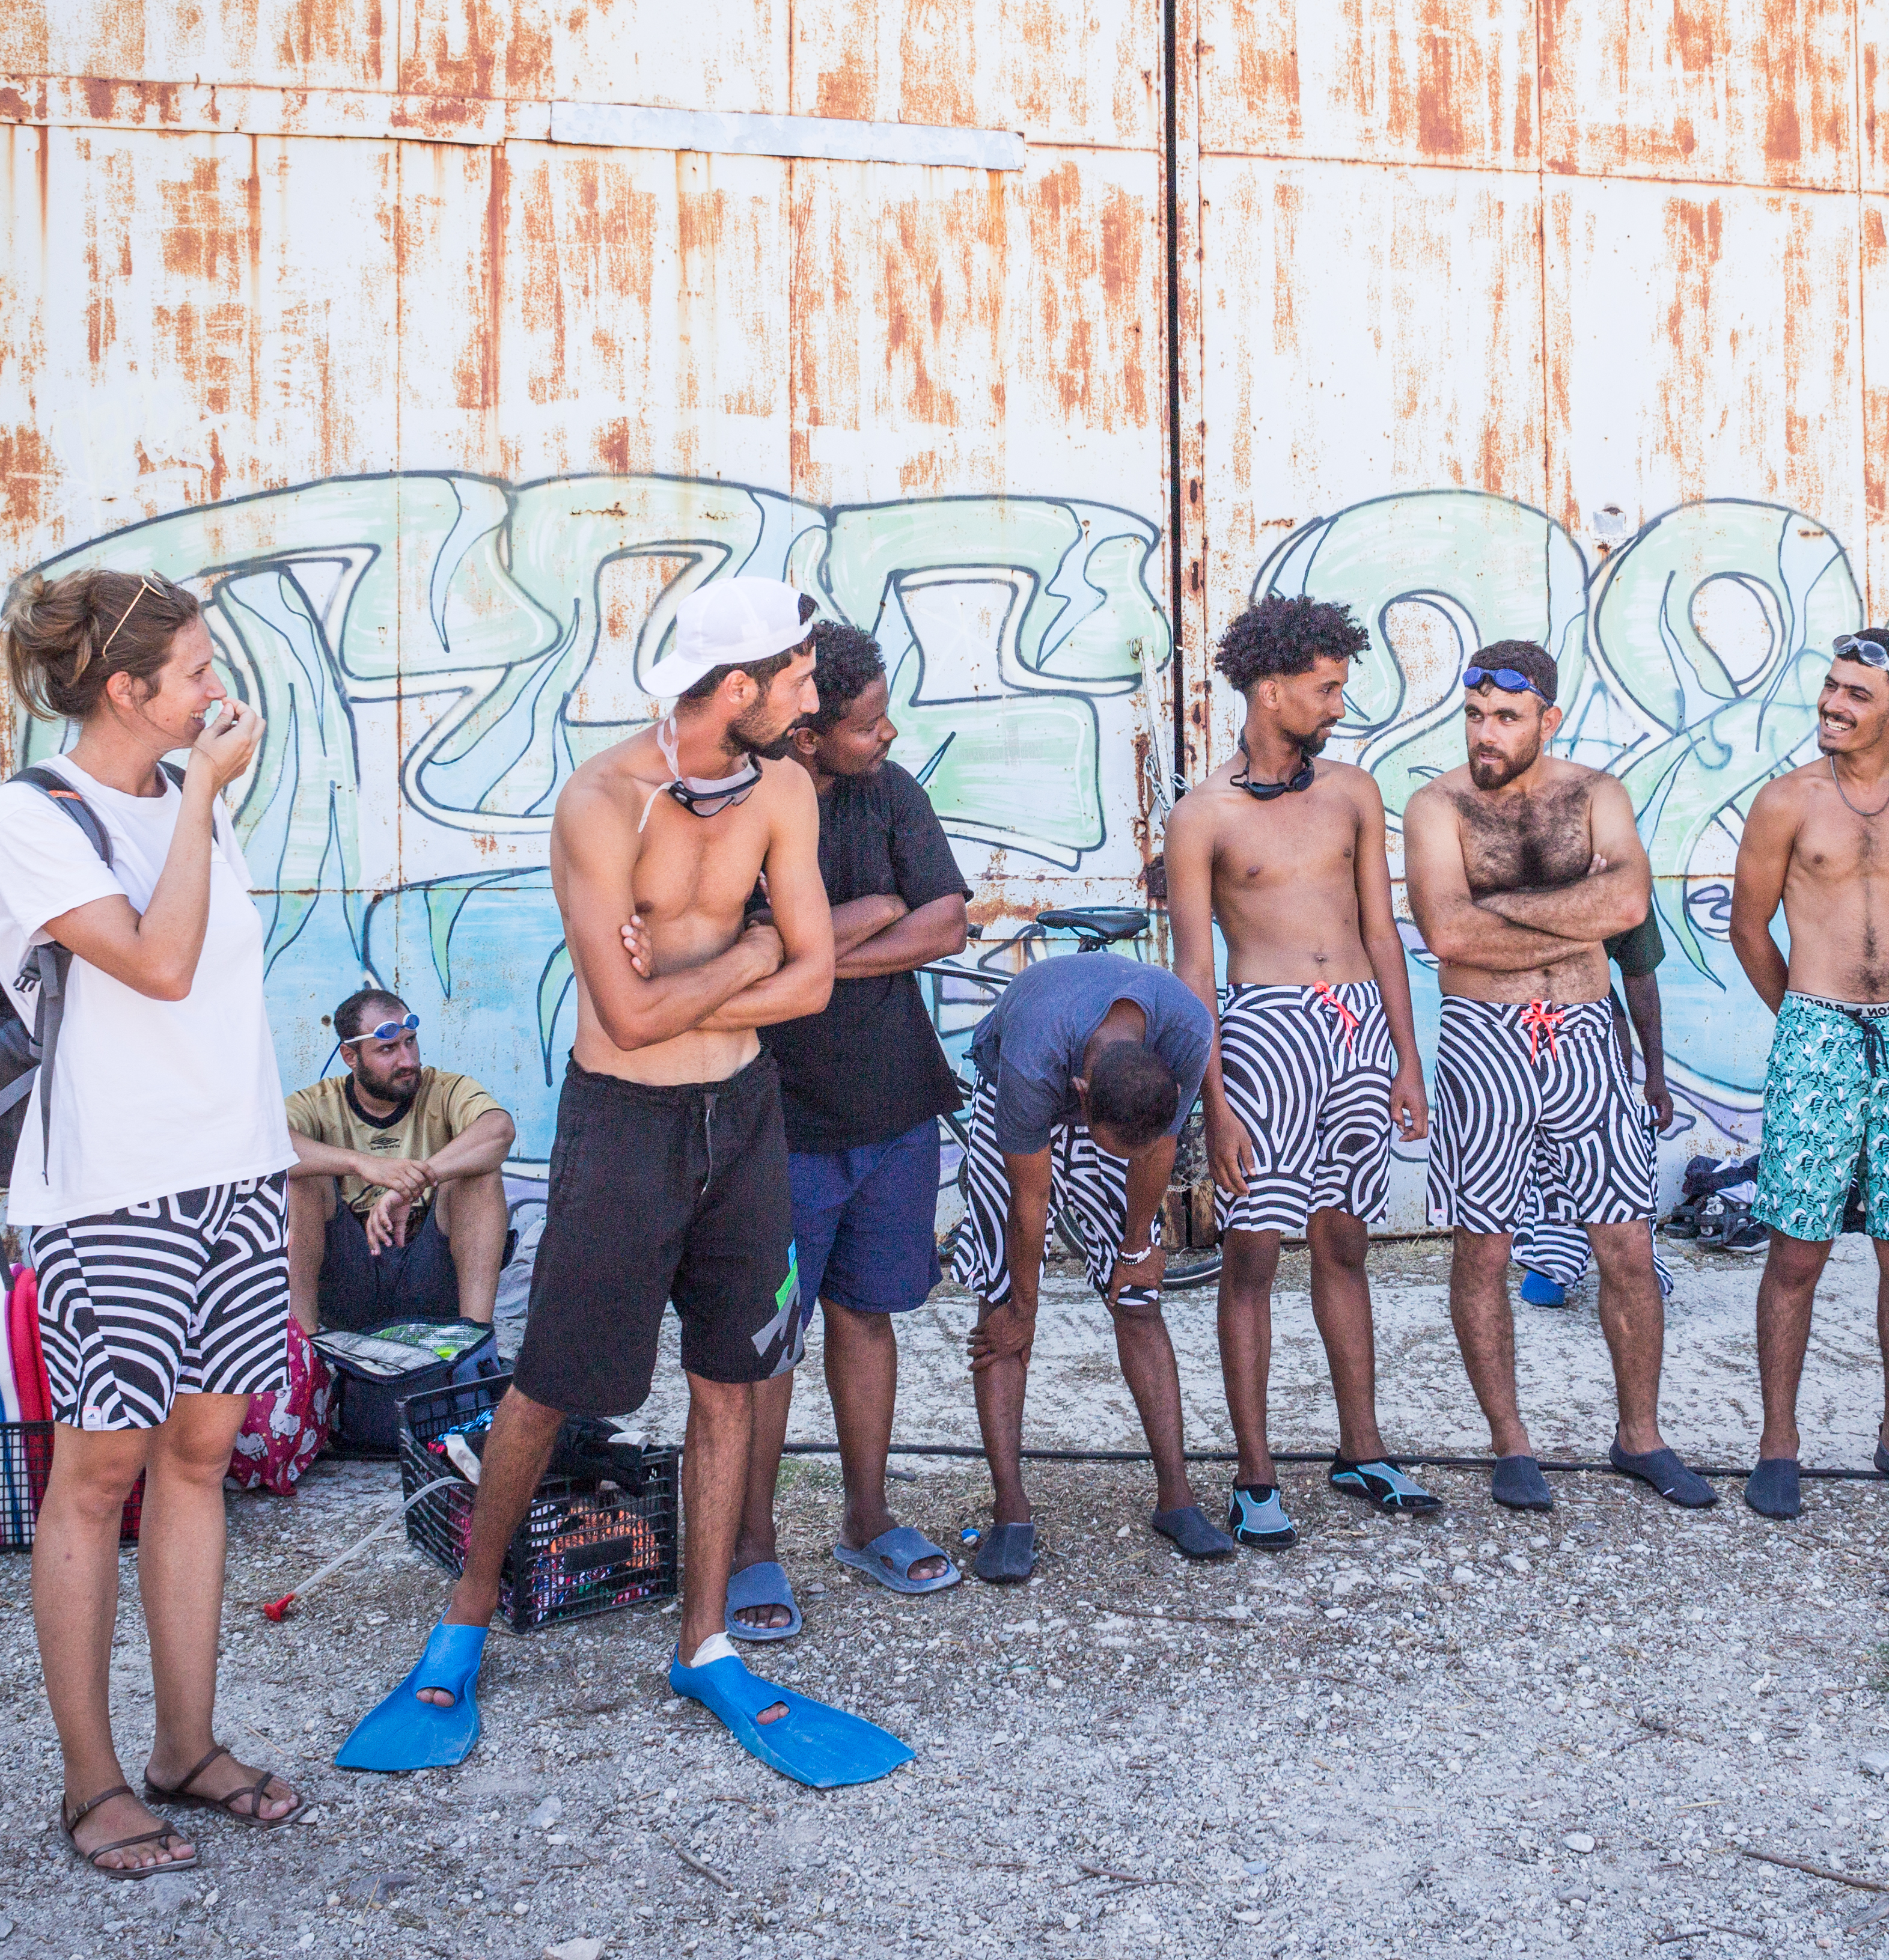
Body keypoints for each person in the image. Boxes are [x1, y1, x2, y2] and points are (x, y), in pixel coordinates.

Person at [341, 576, 904, 1794]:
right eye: (799, 678)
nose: (813, 697)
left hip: (745, 1114)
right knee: (549, 1388)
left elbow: (808, 982)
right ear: (738, 688)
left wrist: (737, 958)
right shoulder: (603, 804)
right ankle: (464, 1621)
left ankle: (701, 1643)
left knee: (735, 1380)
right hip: (624, 1126)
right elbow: (633, 1018)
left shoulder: (788, 789)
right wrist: (753, 948)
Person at [0, 568, 296, 1879]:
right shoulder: (30, 818)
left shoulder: (180, 803)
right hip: (114, 1190)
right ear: (128, 688)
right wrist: (209, 799)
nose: (218, 689)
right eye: (199, 667)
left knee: (203, 1457)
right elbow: (156, 967)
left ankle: (185, 1746)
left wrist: (199, 801)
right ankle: (92, 1782)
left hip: (237, 1169)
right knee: (98, 1470)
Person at [1403, 640, 1706, 1513]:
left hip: (1585, 1038)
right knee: (1485, 1248)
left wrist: (1495, 907)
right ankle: (1511, 1445)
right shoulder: (1438, 808)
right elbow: (1449, 938)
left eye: (1505, 717)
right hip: (1484, 1040)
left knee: (1626, 1247)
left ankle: (1640, 1437)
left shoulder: (1595, 795)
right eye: (1474, 716)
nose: (1485, 734)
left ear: (1548, 719)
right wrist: (1572, 922)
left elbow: (1627, 908)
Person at [1165, 594, 1435, 1549]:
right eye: (1324, 691)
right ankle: (1254, 1474)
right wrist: (1217, 1101)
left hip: (1357, 1025)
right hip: (1266, 1034)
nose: (1338, 707)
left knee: (1348, 1240)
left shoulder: (1354, 791)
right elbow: (1194, 972)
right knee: (1251, 1255)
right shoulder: (1202, 815)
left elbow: (1382, 931)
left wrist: (1407, 1058)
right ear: (1270, 692)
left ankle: (1362, 1450)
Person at [728, 619, 972, 1635]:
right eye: (868, 722)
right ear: (808, 731)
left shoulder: (893, 792)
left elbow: (946, 919)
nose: (887, 734)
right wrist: (866, 912)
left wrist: (815, 959)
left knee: (866, 1316)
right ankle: (750, 1546)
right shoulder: (743, 808)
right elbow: (743, 945)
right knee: (767, 1343)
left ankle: (867, 1517)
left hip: (894, 1109)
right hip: (778, 1122)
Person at [1726, 627, 1889, 1512]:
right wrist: (1806, 1015)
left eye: (1856, 695)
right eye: (1831, 689)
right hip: (1817, 1033)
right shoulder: (1786, 801)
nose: (1835, 705)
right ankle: (1778, 1448)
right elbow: (1748, 928)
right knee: (1798, 1249)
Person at [951, 949, 1227, 1577]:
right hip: (1017, 1086)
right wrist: (1024, 1308)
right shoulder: (1033, 1061)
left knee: (1139, 1299)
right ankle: (1011, 1508)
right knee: (1000, 1300)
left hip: (1127, 1107)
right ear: (1080, 1097)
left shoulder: (1185, 1034)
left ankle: (1176, 1497)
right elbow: (1032, 1197)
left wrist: (1137, 1248)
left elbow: (1155, 1147)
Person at [281, 990, 514, 1334]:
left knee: (479, 1174)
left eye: (411, 1042)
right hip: (348, 1283)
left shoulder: (445, 1089)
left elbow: (499, 1130)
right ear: (350, 1056)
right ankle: (303, 1352)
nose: (407, 1060)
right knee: (300, 1175)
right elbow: (266, 1146)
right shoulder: (318, 1103)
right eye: (387, 1049)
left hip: (430, 1275)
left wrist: (417, 1181)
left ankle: (474, 1344)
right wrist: (361, 1164)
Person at [1516, 909, 1679, 1308]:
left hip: (1592, 1008)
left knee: (1612, 1143)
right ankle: (1552, 1254)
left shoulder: (1618, 866)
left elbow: (1639, 972)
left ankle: (1629, 1255)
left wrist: (1655, 1076)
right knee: (1541, 1147)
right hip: (1509, 1008)